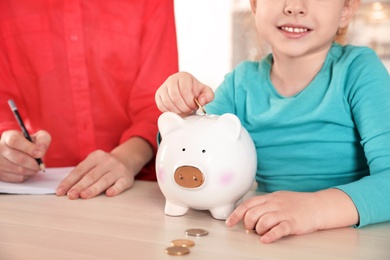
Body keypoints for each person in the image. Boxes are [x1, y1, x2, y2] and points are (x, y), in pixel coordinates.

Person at [155, 0, 390, 243]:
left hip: (350, 240)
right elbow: (193, 157)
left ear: (346, 10)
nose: (295, 7)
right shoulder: (240, 84)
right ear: (255, 5)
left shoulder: (359, 70)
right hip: (268, 236)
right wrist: (183, 114)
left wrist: (314, 209)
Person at [0, 0, 178, 199]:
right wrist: (7, 150)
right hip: (36, 192)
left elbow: (157, 106)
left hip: (133, 186)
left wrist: (125, 158)